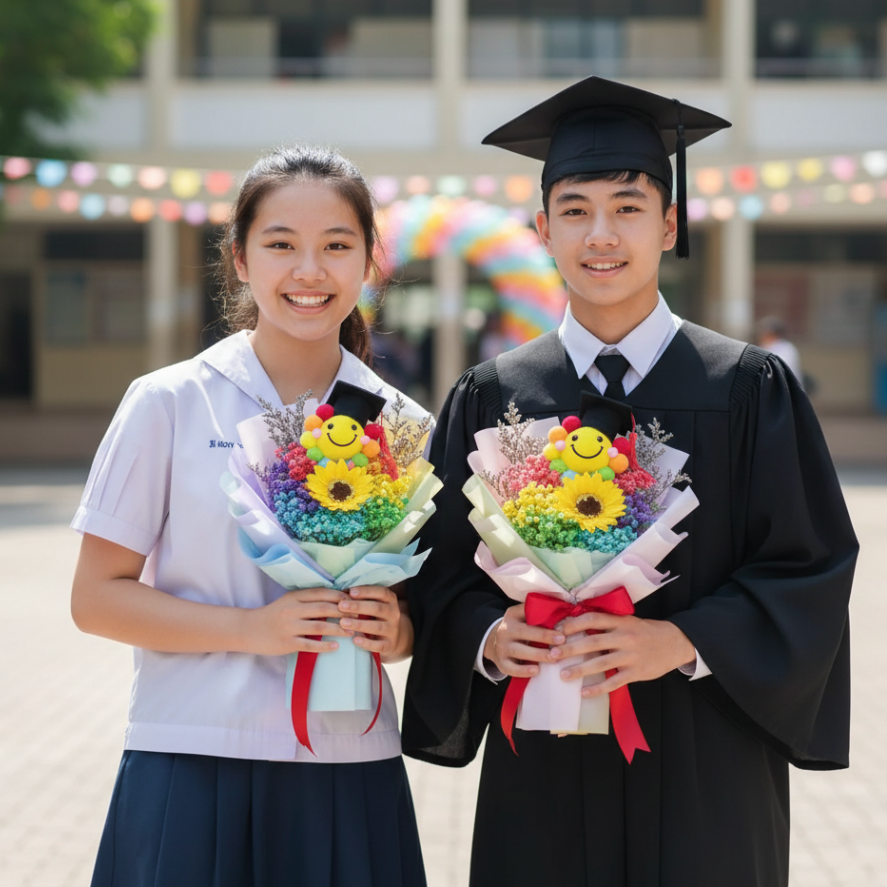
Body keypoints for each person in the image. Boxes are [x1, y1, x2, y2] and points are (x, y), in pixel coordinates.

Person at [403, 76, 856, 887]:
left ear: (669, 224)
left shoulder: (747, 389)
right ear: (542, 228)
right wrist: (488, 637)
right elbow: (433, 574)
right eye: (573, 209)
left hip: (707, 757)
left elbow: (809, 566)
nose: (599, 233)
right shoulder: (491, 395)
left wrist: (681, 640)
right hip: (539, 753)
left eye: (627, 205)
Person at [71, 145, 428, 887]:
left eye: (336, 246)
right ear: (239, 259)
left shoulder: (405, 425)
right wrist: (250, 630)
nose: (309, 271)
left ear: (369, 263)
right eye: (280, 245)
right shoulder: (168, 402)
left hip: (343, 757)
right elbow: (96, 596)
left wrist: (398, 630)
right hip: (192, 753)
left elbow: (423, 609)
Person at [756, 315, 804, 385]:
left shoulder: (786, 348)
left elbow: (778, 370)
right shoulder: (763, 347)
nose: (761, 336)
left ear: (772, 334)